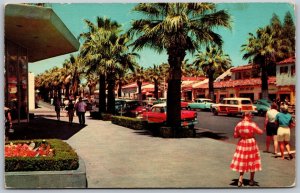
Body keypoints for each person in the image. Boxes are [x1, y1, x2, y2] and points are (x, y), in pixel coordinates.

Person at [230, 111, 263, 187]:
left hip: (242, 142)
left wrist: (242, 134)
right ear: (248, 116)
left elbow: (235, 135)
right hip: (251, 142)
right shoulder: (252, 124)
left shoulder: (239, 124)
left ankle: (240, 179)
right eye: (251, 115)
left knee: (242, 160)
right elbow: (260, 132)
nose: (252, 117)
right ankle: (251, 180)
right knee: (252, 160)